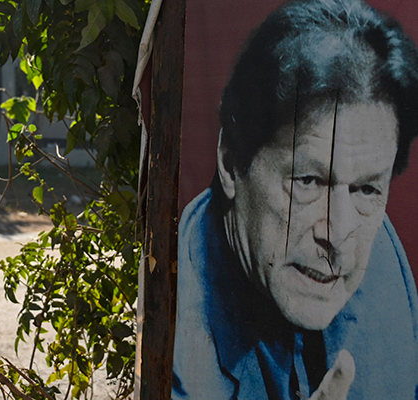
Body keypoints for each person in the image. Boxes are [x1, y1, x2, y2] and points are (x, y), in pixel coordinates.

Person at [173, 0, 418, 398]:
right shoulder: (179, 347)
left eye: (366, 189)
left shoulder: (388, 273)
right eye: (308, 181)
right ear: (232, 162)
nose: (338, 236)